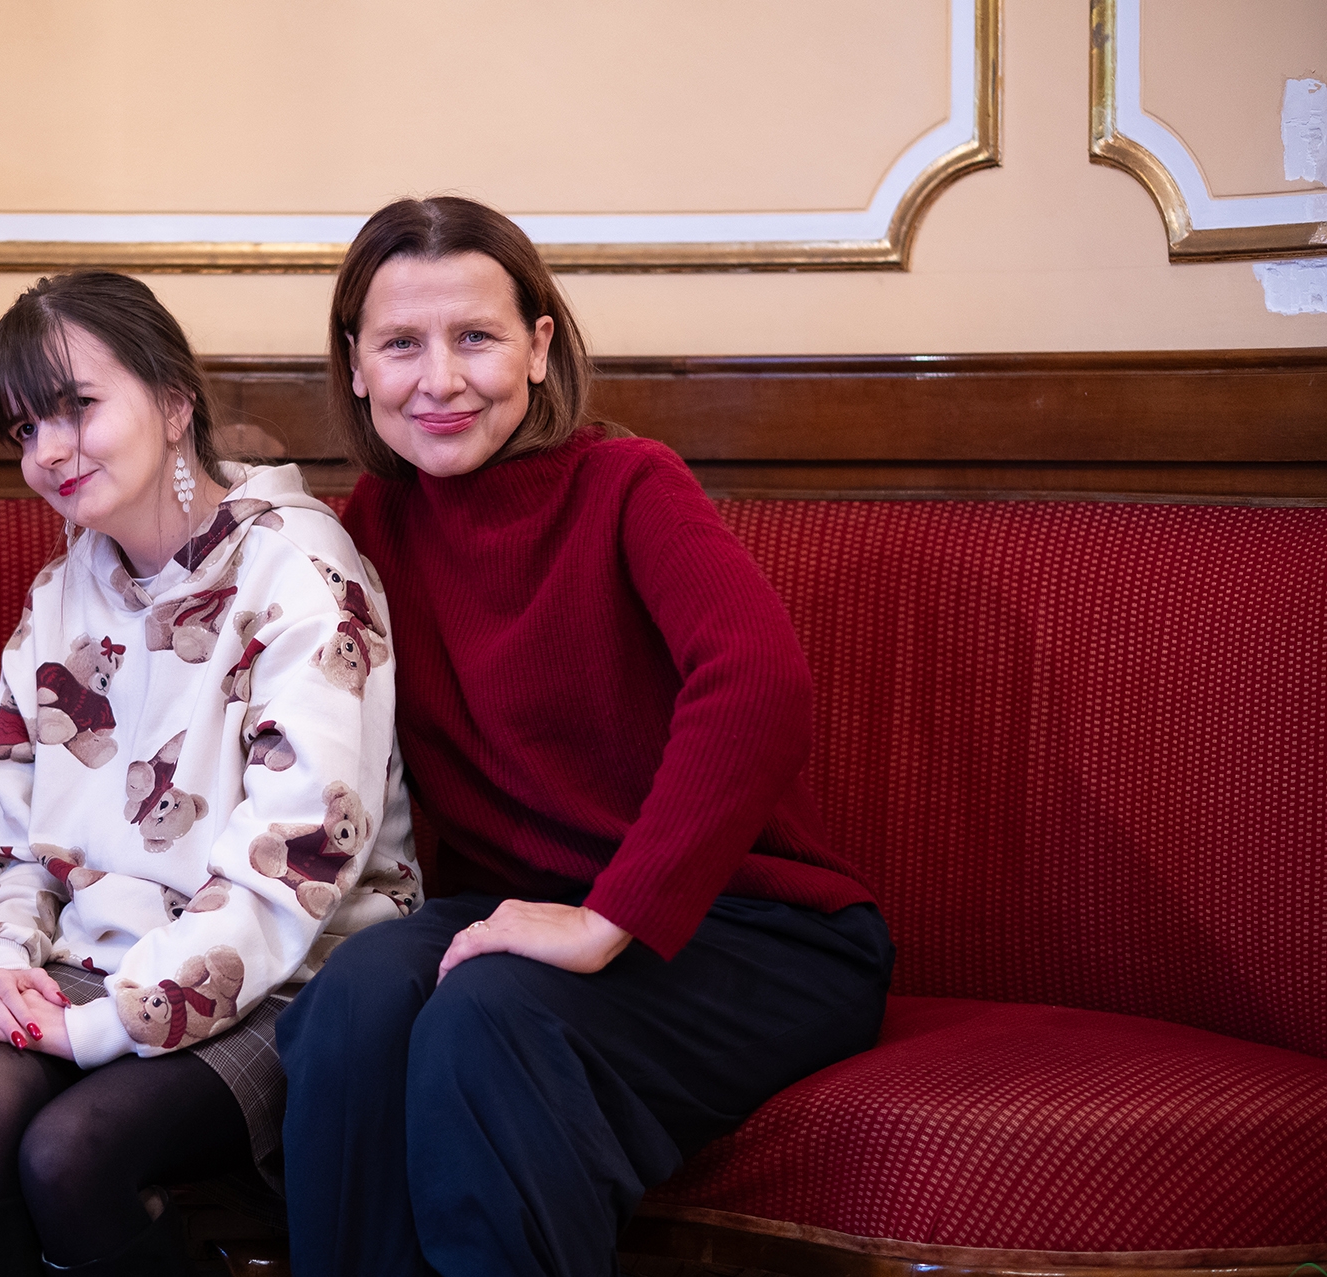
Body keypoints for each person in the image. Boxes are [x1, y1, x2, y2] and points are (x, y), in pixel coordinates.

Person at [276, 197, 894, 1277]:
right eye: (402, 344)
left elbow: (758, 683)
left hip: (753, 928)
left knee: (487, 1017)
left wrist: (609, 919)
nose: (440, 379)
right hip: (516, 918)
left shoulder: (628, 483)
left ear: (539, 345)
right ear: (356, 366)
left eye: (476, 336)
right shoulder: (365, 527)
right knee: (356, 1002)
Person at [0, 271, 419, 1276]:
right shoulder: (61, 594)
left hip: (290, 971)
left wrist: (105, 1024)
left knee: (73, 1153)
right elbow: (13, 832)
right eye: (23, 428)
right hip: (103, 950)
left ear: (174, 399)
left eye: (76, 406)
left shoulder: (299, 569)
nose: (47, 450)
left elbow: (297, 862)